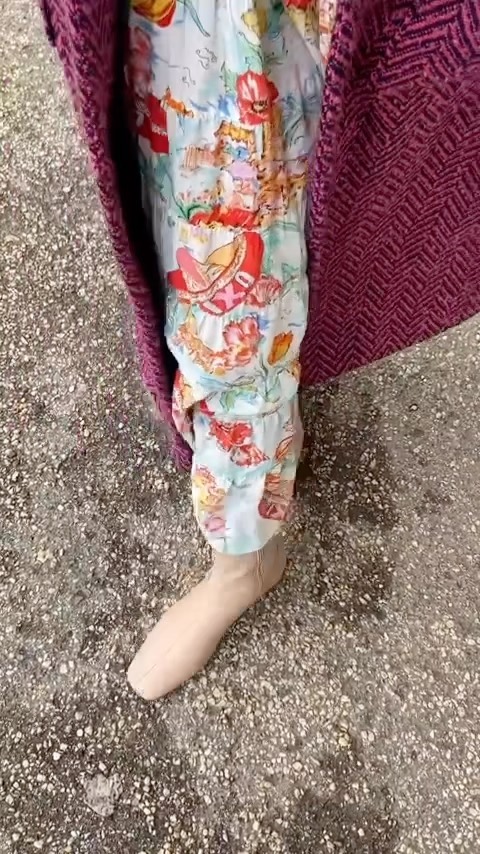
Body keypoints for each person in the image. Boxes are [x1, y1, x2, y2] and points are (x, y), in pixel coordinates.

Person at [125, 0, 336, 699]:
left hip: (244, 33)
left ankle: (244, 560)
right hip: (165, 32)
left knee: (238, 298)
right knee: (170, 219)